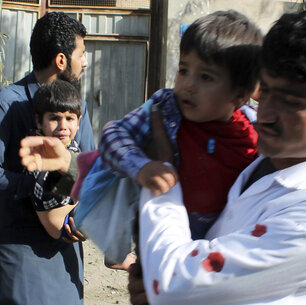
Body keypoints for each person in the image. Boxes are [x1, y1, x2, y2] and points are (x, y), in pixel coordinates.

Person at [19, 7, 306, 305]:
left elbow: (173, 281)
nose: (266, 112)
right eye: (265, 92)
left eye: (293, 103)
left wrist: (163, 174)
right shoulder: (260, 159)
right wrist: (70, 164)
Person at [99, 9, 261, 242]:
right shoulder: (164, 109)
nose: (188, 85)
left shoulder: (253, 131)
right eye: (183, 70)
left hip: (220, 246)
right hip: (166, 237)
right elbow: (113, 135)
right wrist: (141, 166)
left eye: (206, 77)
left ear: (239, 95)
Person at [0, 12, 94, 305]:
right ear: (62, 60)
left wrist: (82, 216)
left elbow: (88, 168)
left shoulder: (77, 106)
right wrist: (39, 182)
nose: (86, 61)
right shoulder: (6, 104)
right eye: (82, 53)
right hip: (19, 254)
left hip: (64, 253)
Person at [30, 79, 84, 240]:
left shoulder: (70, 145)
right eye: (54, 118)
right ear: (39, 121)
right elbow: (44, 192)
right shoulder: (40, 151)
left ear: (78, 122)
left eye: (69, 119)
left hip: (70, 218)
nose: (63, 126)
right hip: (62, 225)